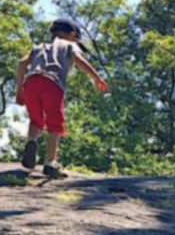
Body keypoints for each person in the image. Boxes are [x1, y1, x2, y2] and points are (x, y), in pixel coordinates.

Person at [15, 18, 108, 178]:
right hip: (52, 84)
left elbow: (22, 63)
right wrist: (97, 78)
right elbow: (80, 60)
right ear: (72, 35)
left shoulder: (39, 47)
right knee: (55, 125)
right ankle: (51, 164)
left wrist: (19, 91)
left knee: (36, 120)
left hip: (31, 83)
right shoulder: (70, 45)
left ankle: (32, 141)